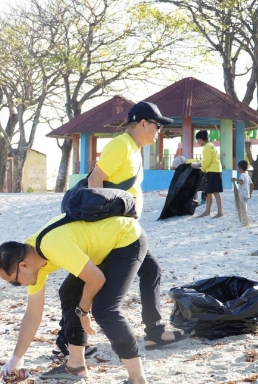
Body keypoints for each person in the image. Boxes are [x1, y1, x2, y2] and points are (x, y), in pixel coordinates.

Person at [61, 101, 183, 354]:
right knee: (78, 286)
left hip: (124, 229)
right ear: (142, 124)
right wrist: (105, 226)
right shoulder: (121, 145)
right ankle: (70, 340)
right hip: (114, 232)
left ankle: (154, 332)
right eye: (156, 125)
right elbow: (95, 181)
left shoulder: (133, 149)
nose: (158, 130)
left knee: (151, 272)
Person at [0, 214, 149, 384]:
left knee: (105, 309)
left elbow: (96, 279)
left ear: (23, 266)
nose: (17, 286)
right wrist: (15, 360)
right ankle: (75, 366)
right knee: (69, 293)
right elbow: (33, 314)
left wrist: (84, 310)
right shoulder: (31, 260)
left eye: (14, 282)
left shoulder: (53, 247)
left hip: (125, 239)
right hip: (99, 247)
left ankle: (138, 382)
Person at [193, 130, 223, 218]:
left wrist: (198, 165)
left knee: (215, 192)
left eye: (198, 140)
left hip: (213, 171)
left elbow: (206, 162)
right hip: (215, 170)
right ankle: (207, 211)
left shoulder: (207, 147)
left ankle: (220, 212)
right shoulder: (211, 145)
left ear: (200, 139)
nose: (198, 142)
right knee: (209, 192)